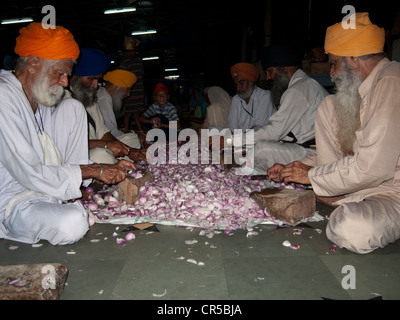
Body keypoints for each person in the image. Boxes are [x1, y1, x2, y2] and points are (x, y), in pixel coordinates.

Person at [267, 12, 400, 254]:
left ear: (353, 57)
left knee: (350, 228)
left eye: (334, 63)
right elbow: (341, 153)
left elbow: (372, 167)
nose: (331, 73)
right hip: (359, 186)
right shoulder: (362, 92)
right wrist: (295, 168)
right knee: (329, 105)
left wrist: (312, 177)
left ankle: (334, 196)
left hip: (391, 192)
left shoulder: (391, 82)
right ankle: (335, 195)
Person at [0, 22, 136, 245]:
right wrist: (96, 169)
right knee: (72, 223)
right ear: (34, 63)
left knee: (73, 106)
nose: (65, 82)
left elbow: (54, 151)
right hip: (13, 201)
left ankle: (71, 195)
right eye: (61, 73)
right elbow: (30, 172)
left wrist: (89, 175)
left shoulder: (40, 96)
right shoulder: (4, 96)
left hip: (48, 190)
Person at [241, 44, 328, 174]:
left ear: (284, 68)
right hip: (303, 147)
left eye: (270, 71)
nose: (268, 77)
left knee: (260, 150)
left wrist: (232, 140)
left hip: (314, 154)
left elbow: (274, 132)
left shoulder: (299, 90)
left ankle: (262, 180)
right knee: (256, 132)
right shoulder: (301, 85)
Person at [69, 48, 145, 164]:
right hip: (76, 155)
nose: (95, 86)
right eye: (91, 79)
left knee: (131, 141)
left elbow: (103, 132)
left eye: (97, 80)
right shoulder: (63, 100)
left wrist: (129, 151)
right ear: (76, 76)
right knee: (102, 155)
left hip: (98, 146)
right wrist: (107, 145)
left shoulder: (88, 96)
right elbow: (69, 145)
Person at [98, 69, 143, 147]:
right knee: (135, 140)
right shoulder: (104, 98)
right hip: (100, 141)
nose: (128, 94)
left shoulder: (102, 93)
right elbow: (111, 132)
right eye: (128, 89)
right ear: (119, 86)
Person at [228, 62, 276, 131]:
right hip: (241, 140)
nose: (238, 88)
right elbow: (232, 129)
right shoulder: (236, 99)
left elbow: (259, 129)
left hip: (262, 140)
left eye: (241, 83)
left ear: (251, 81)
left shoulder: (265, 96)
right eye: (236, 84)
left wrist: (236, 138)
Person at [120, 36, 145, 132]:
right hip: (129, 90)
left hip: (139, 90)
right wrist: (125, 93)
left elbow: (141, 75)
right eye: (128, 51)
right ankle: (126, 130)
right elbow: (122, 77)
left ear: (135, 50)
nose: (130, 53)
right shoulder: (124, 61)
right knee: (128, 113)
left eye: (132, 51)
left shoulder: (139, 61)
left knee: (137, 113)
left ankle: (140, 131)